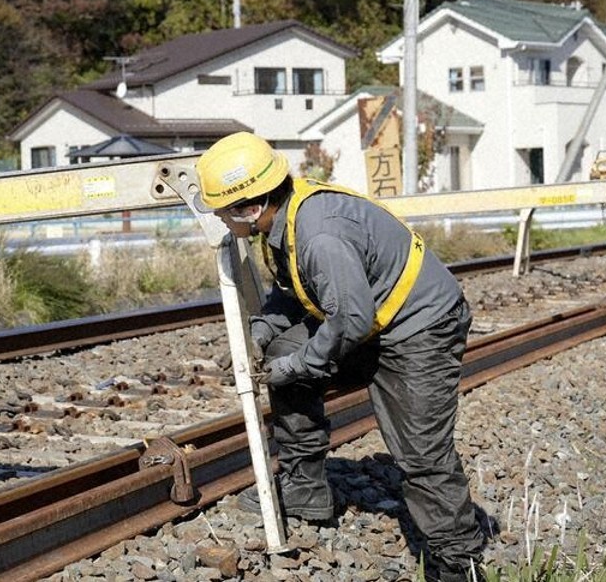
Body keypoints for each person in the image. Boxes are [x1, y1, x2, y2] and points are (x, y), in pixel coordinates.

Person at [195, 132, 484, 582]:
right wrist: (261, 333)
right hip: (371, 318)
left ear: (248, 208)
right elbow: (296, 292)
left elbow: (349, 319)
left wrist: (292, 367)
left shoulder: (320, 236)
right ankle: (305, 487)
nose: (219, 219)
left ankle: (456, 562)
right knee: (284, 348)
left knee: (421, 453)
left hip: (421, 327)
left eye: (221, 211)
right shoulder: (285, 220)